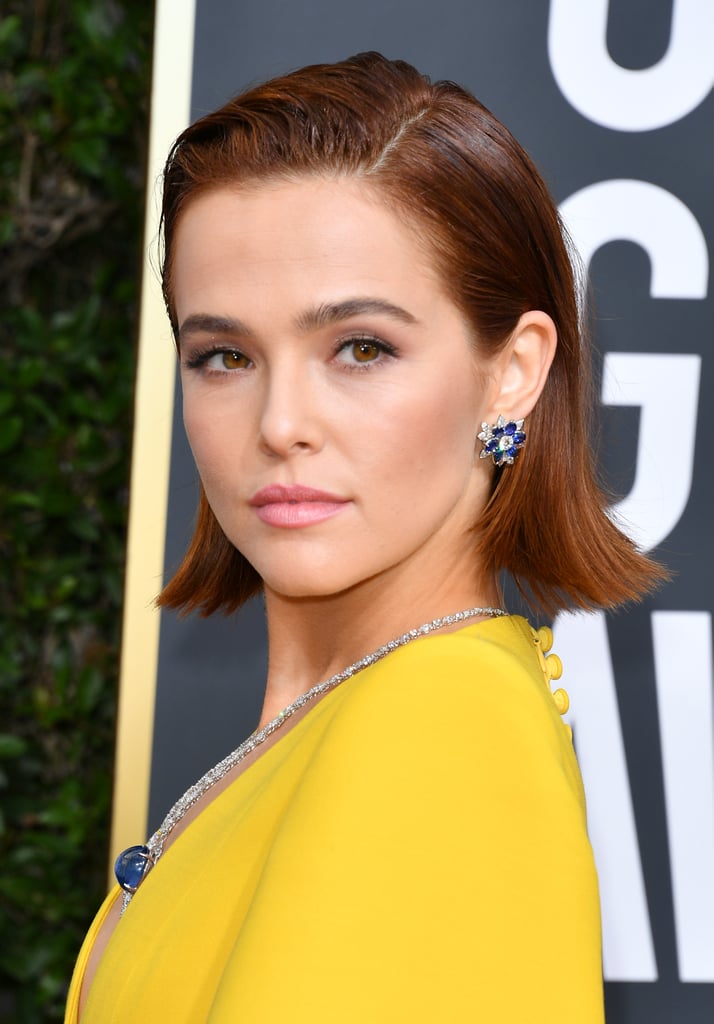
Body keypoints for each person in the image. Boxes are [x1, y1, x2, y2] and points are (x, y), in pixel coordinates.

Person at [65, 52, 663, 1022]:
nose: (279, 421)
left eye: (361, 347)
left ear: (512, 371)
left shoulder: (439, 725)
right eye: (224, 356)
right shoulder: (373, 713)